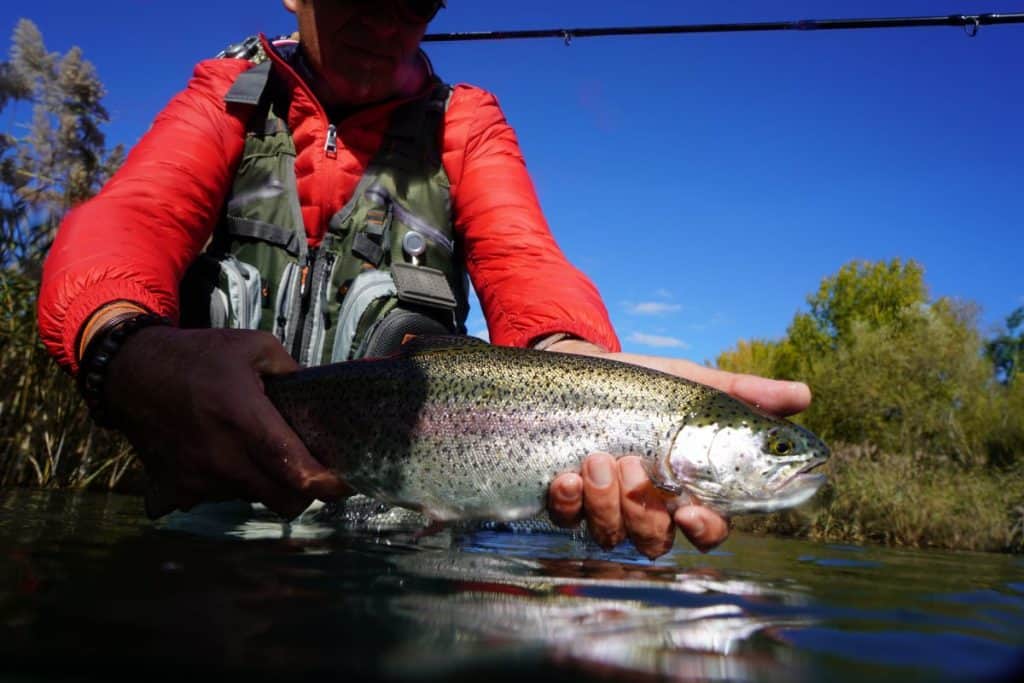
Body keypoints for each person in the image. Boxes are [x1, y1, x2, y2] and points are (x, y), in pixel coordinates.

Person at [38, 0, 810, 559]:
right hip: (207, 520)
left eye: (413, 1)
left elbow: (527, 263)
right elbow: (129, 219)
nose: (385, 20)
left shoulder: (465, 122)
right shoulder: (229, 91)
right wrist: (124, 348)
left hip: (399, 557)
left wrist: (578, 368)